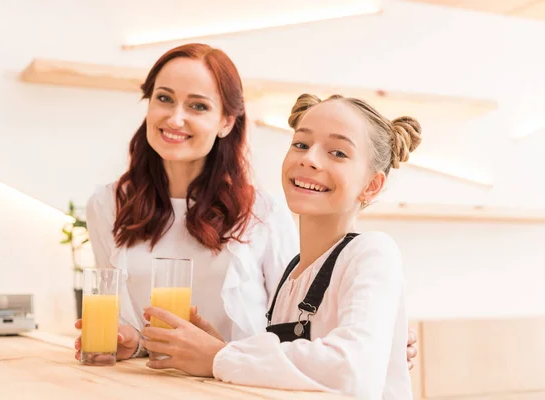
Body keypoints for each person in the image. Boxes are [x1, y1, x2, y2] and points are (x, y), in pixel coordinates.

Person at [72, 42, 418, 367]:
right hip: (155, 381)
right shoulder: (107, 205)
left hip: (236, 385)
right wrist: (132, 341)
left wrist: (373, 330)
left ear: (226, 121)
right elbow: (127, 317)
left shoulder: (262, 211)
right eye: (164, 98)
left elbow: (291, 323)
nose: (176, 119)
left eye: (198, 106)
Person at [141, 93, 422, 399]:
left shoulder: (372, 253)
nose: (309, 159)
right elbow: (291, 370)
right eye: (301, 144)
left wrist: (220, 358)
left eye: (338, 153)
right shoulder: (294, 274)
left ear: (372, 185)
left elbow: (352, 370)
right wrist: (224, 349)